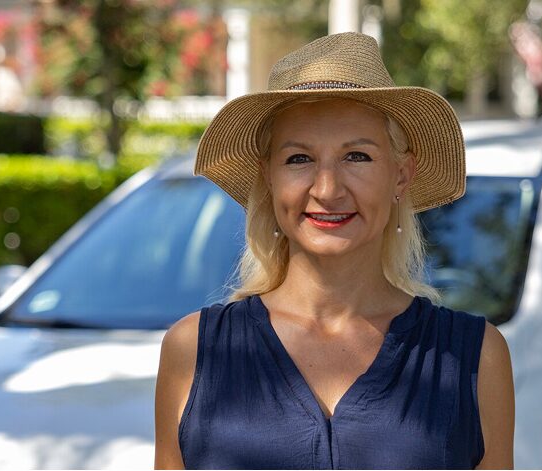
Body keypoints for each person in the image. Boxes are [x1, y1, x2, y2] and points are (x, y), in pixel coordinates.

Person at [154, 32, 515, 470]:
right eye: (298, 159)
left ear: (401, 176)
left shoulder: (475, 359)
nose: (327, 189)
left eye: (357, 156)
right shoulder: (192, 351)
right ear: (268, 178)